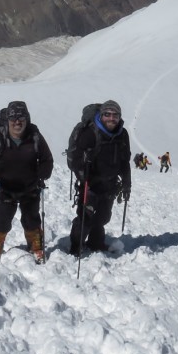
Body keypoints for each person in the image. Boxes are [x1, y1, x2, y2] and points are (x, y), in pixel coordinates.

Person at [0, 100, 54, 262]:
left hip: (30, 186)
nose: (17, 122)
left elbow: (47, 159)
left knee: (31, 218)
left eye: (21, 117)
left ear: (27, 119)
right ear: (7, 120)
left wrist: (43, 173)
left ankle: (35, 245)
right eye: (13, 118)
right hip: (5, 187)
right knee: (2, 218)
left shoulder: (35, 136)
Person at [67, 99, 131, 255]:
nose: (111, 118)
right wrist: (83, 177)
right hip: (90, 183)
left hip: (110, 183)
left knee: (103, 217)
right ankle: (76, 246)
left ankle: (96, 243)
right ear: (101, 115)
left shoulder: (122, 135)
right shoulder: (90, 133)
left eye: (115, 115)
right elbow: (75, 159)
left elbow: (124, 161)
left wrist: (127, 184)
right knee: (85, 218)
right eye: (107, 114)